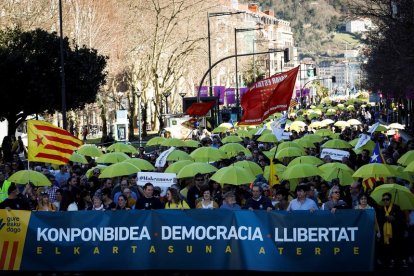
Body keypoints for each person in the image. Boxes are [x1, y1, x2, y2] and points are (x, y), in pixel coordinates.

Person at [376, 192, 407, 268]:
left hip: (396, 231)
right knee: (387, 247)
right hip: (385, 232)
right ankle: (390, 261)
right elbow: (379, 220)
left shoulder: (396, 207)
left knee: (397, 247)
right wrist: (385, 218)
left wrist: (394, 218)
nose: (385, 201)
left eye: (387, 199)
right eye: (384, 199)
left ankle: (399, 261)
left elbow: (402, 219)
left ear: (390, 200)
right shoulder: (381, 209)